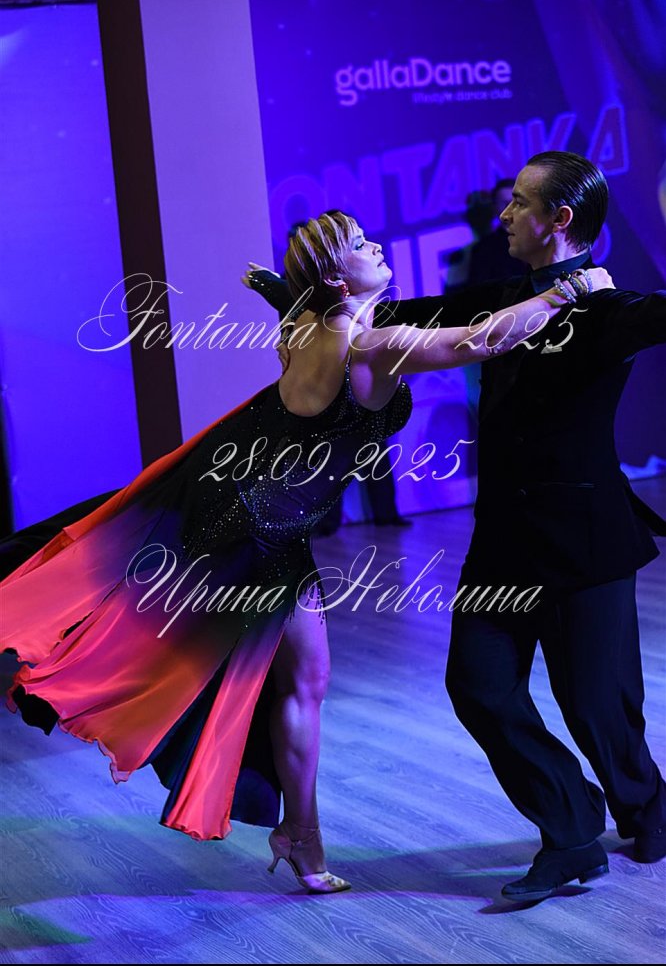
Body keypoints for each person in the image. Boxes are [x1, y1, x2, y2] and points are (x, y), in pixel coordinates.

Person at [0, 210, 605, 895]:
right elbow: (486, 337)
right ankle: (300, 836)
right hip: (255, 531)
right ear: (336, 279)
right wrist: (570, 289)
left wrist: (277, 290)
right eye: (361, 246)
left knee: (305, 680)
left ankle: (301, 835)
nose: (377, 246)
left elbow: (303, 310)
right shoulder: (373, 347)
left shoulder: (303, 325)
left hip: (249, 510)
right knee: (254, 674)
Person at [247, 154, 666, 902]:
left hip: (586, 541)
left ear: (559, 219)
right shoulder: (500, 298)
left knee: (600, 707)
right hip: (503, 542)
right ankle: (571, 828)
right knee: (478, 685)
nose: (503, 214)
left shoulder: (611, 309)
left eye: (519, 203)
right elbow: (411, 322)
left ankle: (648, 809)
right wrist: (305, 295)